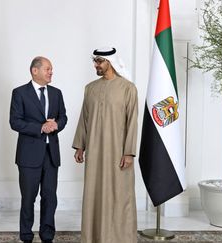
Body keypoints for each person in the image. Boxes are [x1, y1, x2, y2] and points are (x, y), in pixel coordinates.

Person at [72, 47, 138, 243]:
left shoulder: (128, 88)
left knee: (119, 195)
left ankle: (120, 237)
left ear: (110, 62)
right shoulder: (90, 88)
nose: (96, 65)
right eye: (95, 61)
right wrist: (80, 146)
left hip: (118, 153)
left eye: (99, 62)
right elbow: (84, 118)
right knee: (94, 194)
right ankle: (93, 237)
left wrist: (129, 153)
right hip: (95, 151)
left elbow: (132, 122)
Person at [10, 56, 67, 243]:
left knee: (50, 198)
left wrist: (56, 124)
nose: (51, 72)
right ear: (35, 71)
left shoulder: (57, 93)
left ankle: (47, 235)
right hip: (29, 156)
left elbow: (63, 118)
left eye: (51, 69)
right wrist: (40, 128)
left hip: (51, 156)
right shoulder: (19, 93)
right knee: (28, 199)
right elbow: (15, 122)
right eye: (48, 69)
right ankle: (26, 236)